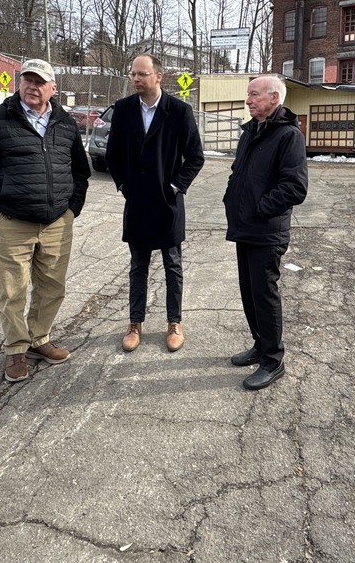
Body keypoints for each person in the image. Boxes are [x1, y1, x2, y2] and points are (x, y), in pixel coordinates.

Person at [0, 58, 90, 383]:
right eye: (26, 80)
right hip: (13, 223)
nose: (32, 86)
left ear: (53, 88)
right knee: (12, 290)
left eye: (39, 81)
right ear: (19, 83)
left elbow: (80, 171)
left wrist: (72, 208)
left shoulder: (66, 122)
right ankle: (16, 349)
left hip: (58, 222)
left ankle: (39, 338)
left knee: (52, 288)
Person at [105, 54, 205, 352]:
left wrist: (175, 186)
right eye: (133, 74)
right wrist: (125, 186)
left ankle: (174, 322)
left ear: (158, 77)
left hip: (168, 203)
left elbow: (195, 157)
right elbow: (113, 155)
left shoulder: (179, 111)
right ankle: (135, 323)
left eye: (142, 74)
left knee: (173, 264)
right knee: (138, 265)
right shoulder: (123, 110)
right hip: (136, 203)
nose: (136, 79)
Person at [224, 75, 308, 390]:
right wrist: (232, 200)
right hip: (245, 227)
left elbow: (295, 188)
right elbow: (239, 173)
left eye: (254, 94)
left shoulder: (288, 136)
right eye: (248, 94)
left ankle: (273, 360)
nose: (248, 100)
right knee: (249, 293)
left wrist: (260, 208)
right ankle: (260, 346)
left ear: (274, 98)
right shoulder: (251, 132)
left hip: (266, 231)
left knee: (264, 294)